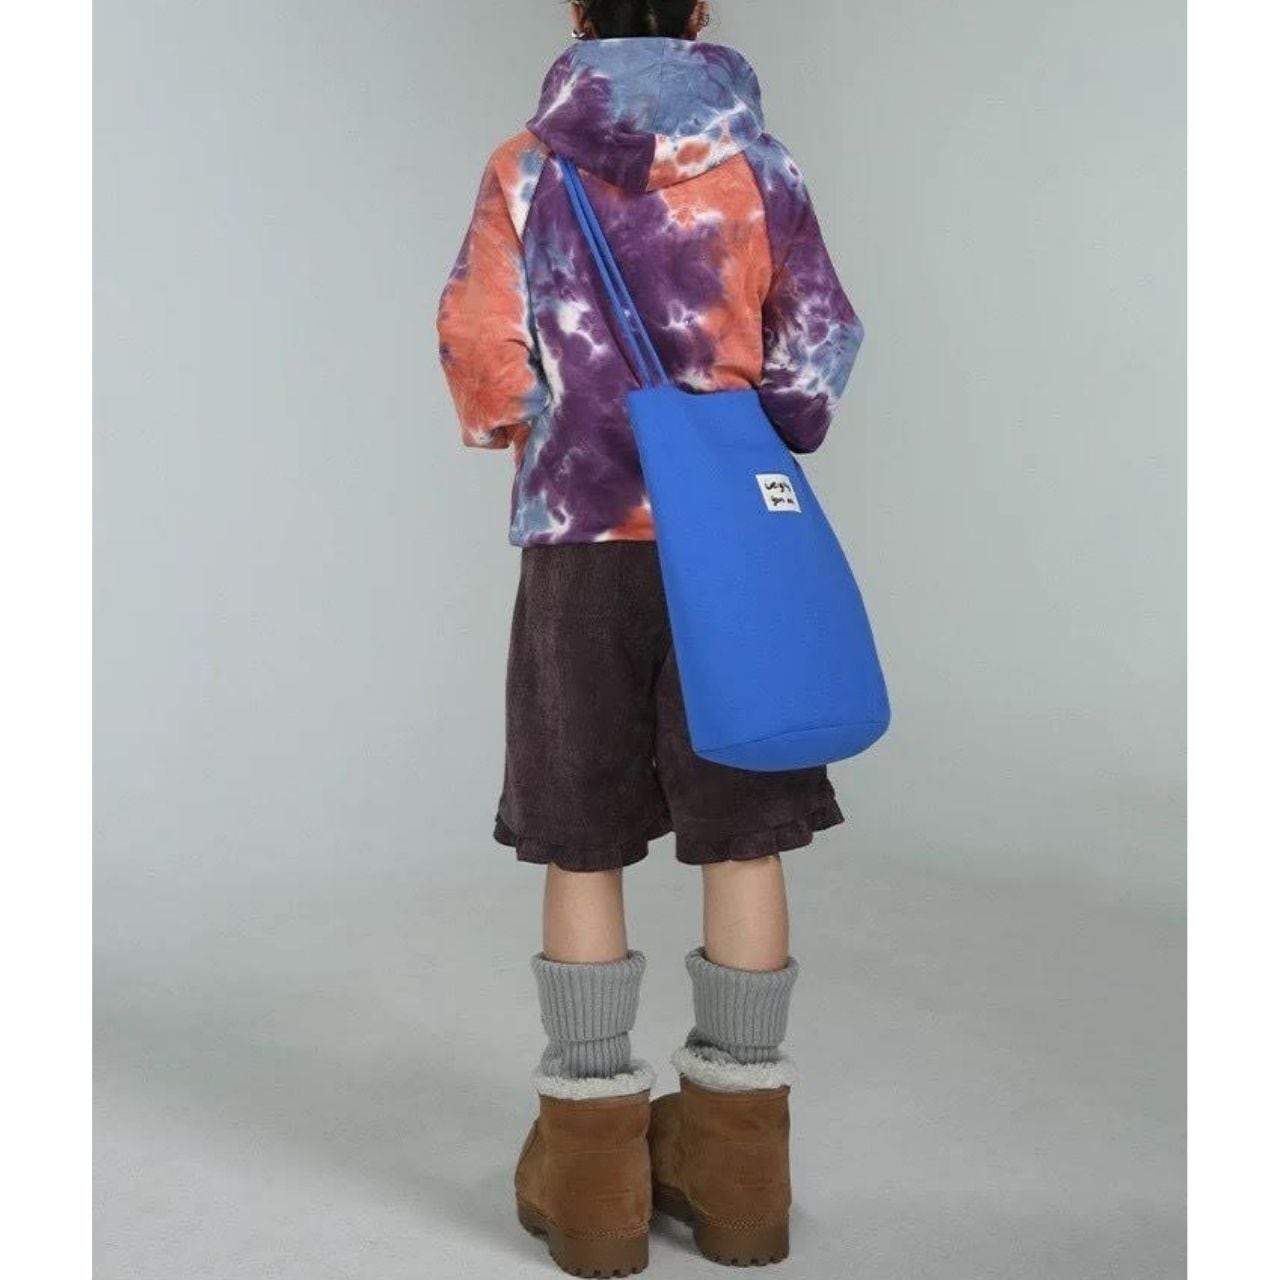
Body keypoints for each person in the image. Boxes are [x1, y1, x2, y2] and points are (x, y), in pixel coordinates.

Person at [437, 2, 862, 1272]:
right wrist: (744, 425)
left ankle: (592, 1185)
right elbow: (819, 347)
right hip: (735, 552)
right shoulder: (758, 164)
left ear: (577, 12)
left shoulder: (526, 165)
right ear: (698, 12)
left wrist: (551, 432)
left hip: (583, 541)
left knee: (581, 832)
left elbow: (479, 351)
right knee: (742, 827)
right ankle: (738, 1169)